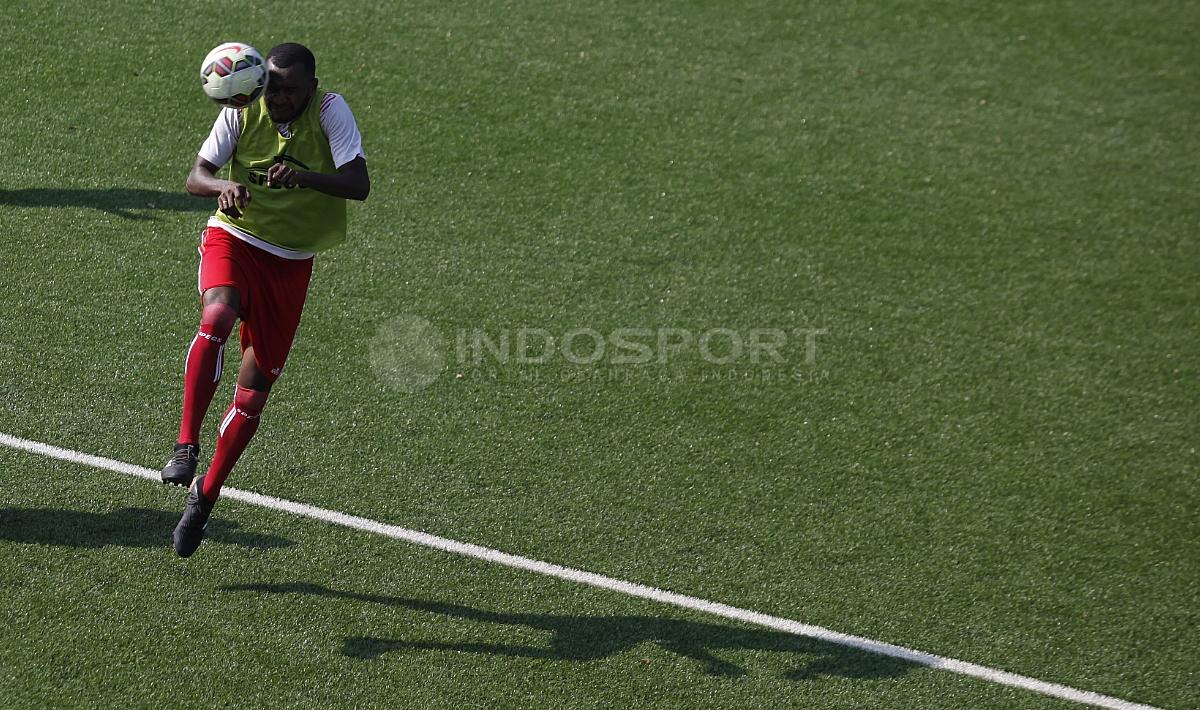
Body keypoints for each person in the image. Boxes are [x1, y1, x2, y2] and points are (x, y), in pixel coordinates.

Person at [162, 42, 369, 557]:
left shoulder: (329, 111)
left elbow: (359, 184)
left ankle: (204, 497)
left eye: (289, 90)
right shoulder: (242, 107)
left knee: (252, 394)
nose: (278, 98)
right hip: (236, 237)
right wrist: (221, 187)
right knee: (217, 314)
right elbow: (196, 177)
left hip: (291, 261)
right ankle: (185, 447)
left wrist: (303, 177)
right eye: (272, 87)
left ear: (311, 88)